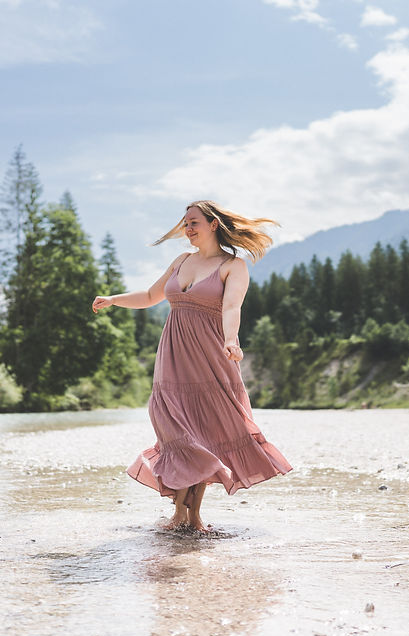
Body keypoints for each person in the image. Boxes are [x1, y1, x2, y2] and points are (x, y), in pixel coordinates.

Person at [91, 200, 292, 531]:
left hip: (210, 358)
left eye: (194, 222)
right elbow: (149, 296)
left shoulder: (233, 266)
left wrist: (232, 340)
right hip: (172, 358)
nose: (187, 228)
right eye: (185, 223)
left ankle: (189, 515)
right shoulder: (181, 261)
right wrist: (114, 299)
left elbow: (231, 308)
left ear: (213, 225)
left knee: (202, 434)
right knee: (175, 430)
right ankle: (183, 512)